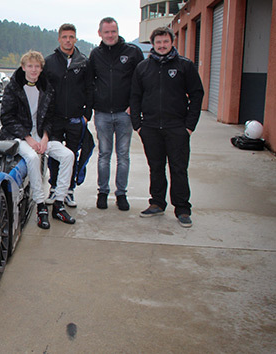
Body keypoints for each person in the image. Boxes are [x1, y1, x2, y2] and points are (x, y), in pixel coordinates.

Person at [130, 27, 204, 228]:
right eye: (158, 42)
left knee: (178, 168)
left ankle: (182, 208)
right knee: (155, 167)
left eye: (165, 42)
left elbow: (197, 95)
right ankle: (157, 203)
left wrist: (189, 126)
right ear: (152, 44)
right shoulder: (143, 68)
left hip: (177, 128)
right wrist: (138, 125)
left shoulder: (184, 66)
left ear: (172, 42)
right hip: (151, 128)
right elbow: (135, 97)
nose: (162, 45)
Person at [0, 50, 76, 229]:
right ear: (23, 67)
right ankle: (40, 206)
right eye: (30, 66)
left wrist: (45, 138)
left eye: (37, 67)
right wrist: (28, 138)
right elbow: (7, 117)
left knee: (68, 156)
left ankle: (58, 203)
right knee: (33, 158)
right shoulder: (13, 87)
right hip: (18, 137)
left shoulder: (46, 88)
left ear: (41, 69)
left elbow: (49, 117)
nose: (33, 70)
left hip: (40, 136)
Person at [90, 17, 144, 211]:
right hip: (103, 114)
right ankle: (102, 192)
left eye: (113, 31)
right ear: (100, 34)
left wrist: (135, 106)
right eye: (106, 32)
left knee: (123, 155)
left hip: (124, 113)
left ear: (118, 31)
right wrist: (92, 107)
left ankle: (121, 194)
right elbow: (90, 82)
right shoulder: (95, 54)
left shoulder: (132, 52)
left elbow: (141, 80)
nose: (110, 35)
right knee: (104, 154)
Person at [43, 23, 94, 209]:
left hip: (75, 118)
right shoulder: (49, 62)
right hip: (55, 119)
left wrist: (87, 115)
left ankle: (69, 190)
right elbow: (43, 91)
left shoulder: (84, 62)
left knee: (73, 155)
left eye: (71, 37)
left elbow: (90, 89)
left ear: (75, 38)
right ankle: (55, 187)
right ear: (59, 39)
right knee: (55, 156)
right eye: (64, 37)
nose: (68, 40)